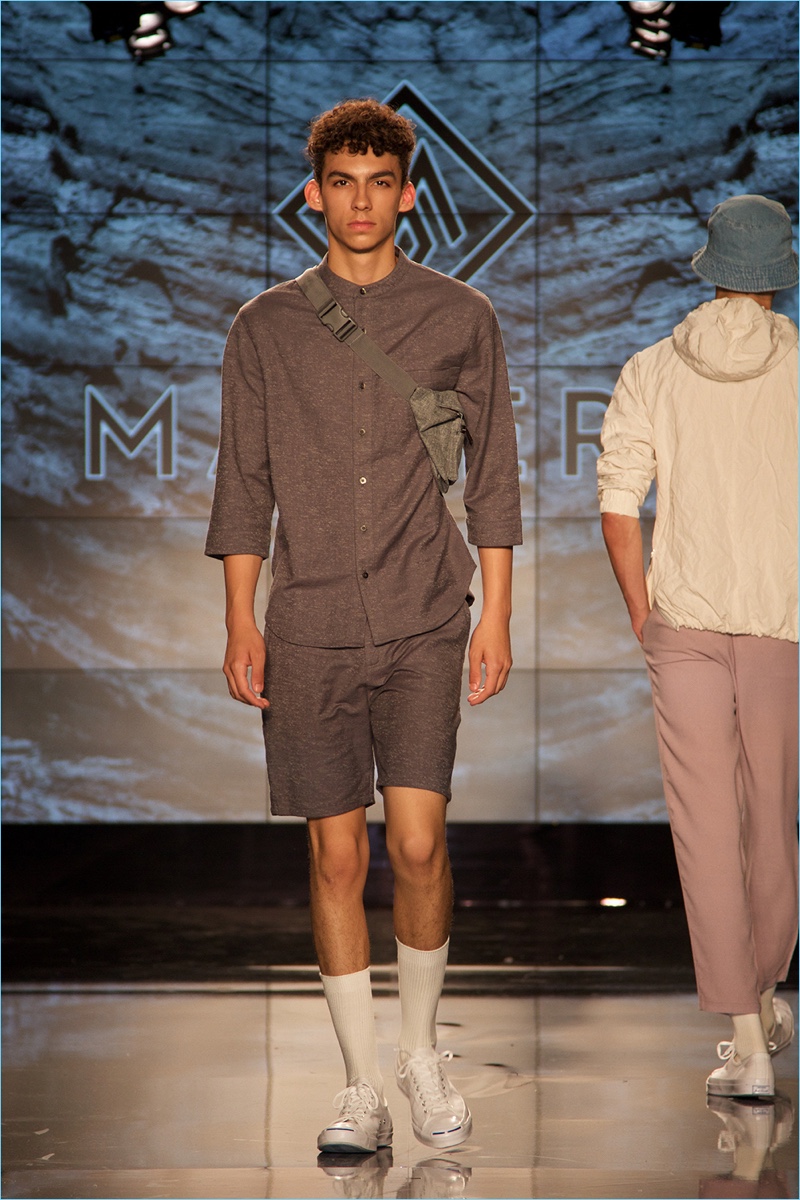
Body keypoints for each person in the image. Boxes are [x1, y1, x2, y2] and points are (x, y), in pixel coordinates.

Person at [205, 98, 522, 1153]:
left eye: (379, 183)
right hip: (308, 624)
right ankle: (358, 1087)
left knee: (420, 845)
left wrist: (497, 616)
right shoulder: (263, 327)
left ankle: (421, 1055)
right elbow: (243, 483)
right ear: (314, 193)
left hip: (426, 613)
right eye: (341, 182)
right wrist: (239, 619)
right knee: (336, 859)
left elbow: (494, 479)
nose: (359, 201)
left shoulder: (460, 316)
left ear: (408, 195)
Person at [597, 194, 798, 1098]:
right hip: (783, 623)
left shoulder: (651, 368)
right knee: (771, 819)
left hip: (683, 623)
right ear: (778, 276)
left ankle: (747, 1041)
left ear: (711, 269)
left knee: (706, 829)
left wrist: (645, 614)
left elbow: (619, 504)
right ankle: (766, 994)